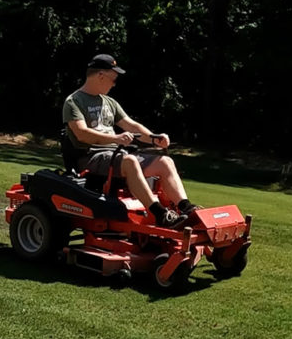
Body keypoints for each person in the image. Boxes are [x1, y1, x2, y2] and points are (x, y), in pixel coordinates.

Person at [61, 54, 200, 227]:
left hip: (116, 155)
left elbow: (131, 125)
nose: (114, 83)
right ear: (101, 75)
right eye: (113, 79)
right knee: (130, 161)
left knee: (165, 162)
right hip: (91, 158)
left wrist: (154, 138)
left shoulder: (109, 102)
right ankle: (160, 215)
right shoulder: (74, 101)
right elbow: (82, 134)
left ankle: (187, 209)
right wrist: (115, 138)